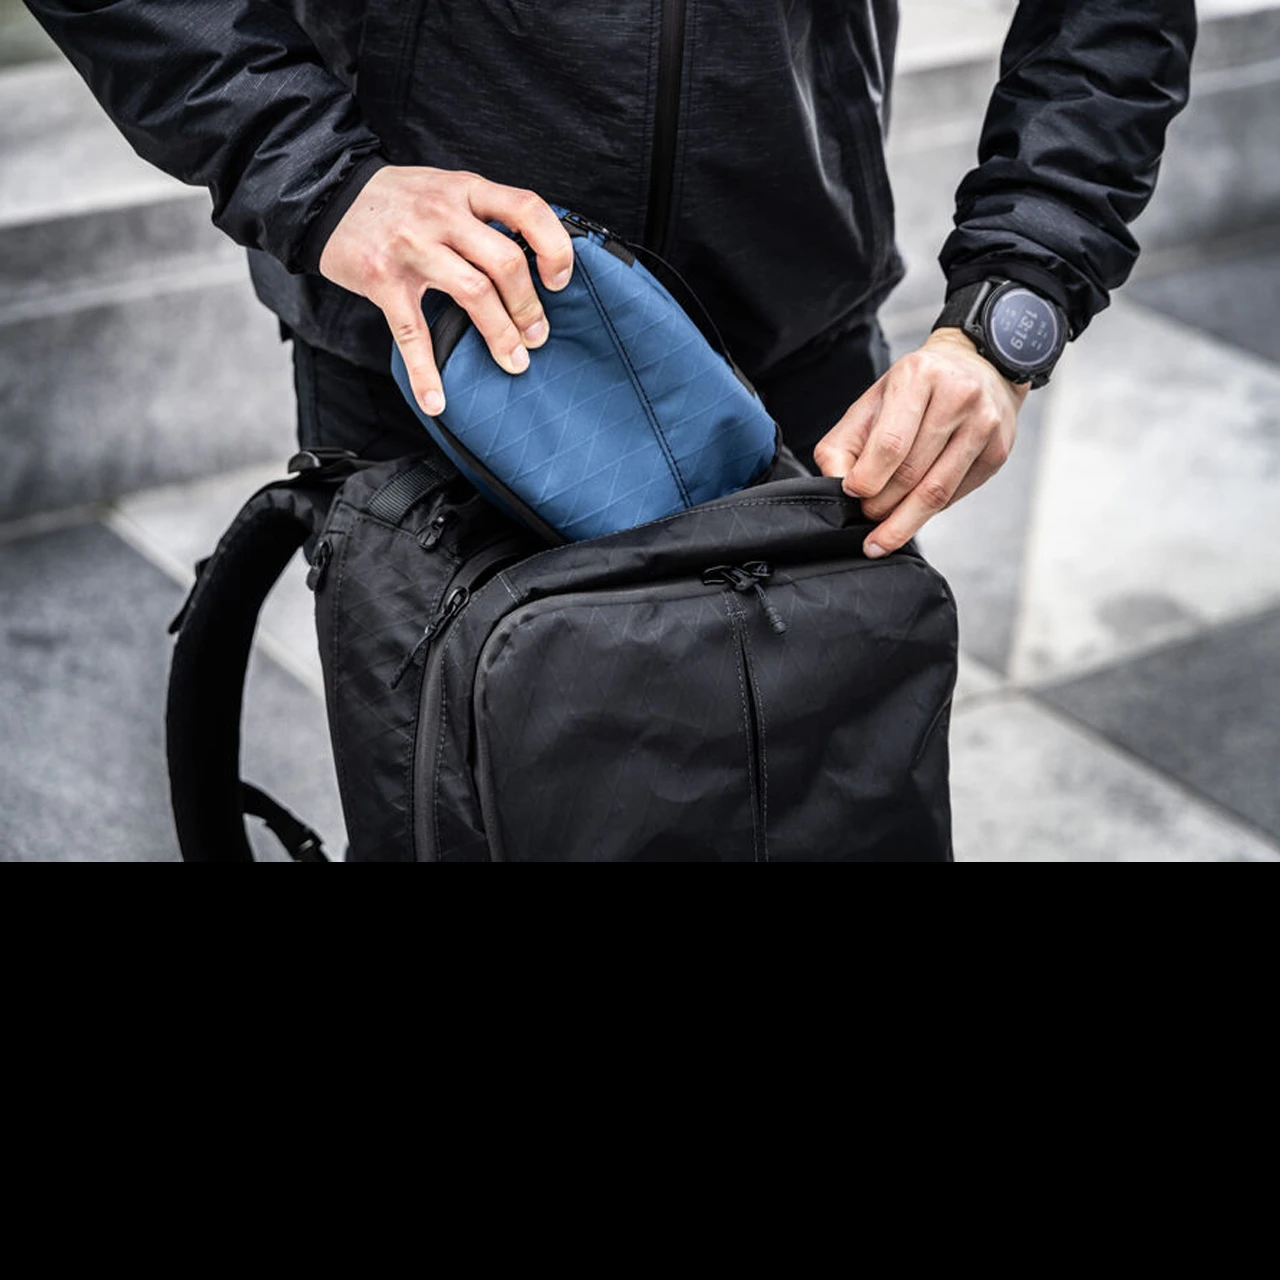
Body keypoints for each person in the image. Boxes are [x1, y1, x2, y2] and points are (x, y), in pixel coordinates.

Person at [29, 1, 1194, 562]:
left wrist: (1013, 298)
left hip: (797, 360)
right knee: (470, 812)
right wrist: (315, 176)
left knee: (807, 800)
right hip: (448, 361)